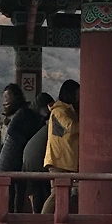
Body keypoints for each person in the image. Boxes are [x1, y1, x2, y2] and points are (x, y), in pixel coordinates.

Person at [0, 84, 43, 212]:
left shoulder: (22, 114)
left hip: (10, 158)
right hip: (14, 157)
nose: (5, 101)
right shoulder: (24, 115)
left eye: (7, 96)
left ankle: (6, 215)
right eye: (4, 97)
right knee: (13, 191)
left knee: (10, 192)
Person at [41, 80, 80, 214]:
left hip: (66, 159)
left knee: (63, 194)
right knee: (57, 193)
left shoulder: (68, 110)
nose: (79, 97)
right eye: (77, 93)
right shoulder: (59, 111)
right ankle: (43, 219)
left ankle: (55, 219)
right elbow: (71, 127)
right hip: (59, 159)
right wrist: (88, 124)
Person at [22, 92, 54, 213]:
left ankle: (38, 216)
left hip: (29, 159)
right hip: (37, 161)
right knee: (46, 193)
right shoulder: (52, 122)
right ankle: (42, 218)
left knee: (37, 193)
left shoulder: (40, 122)